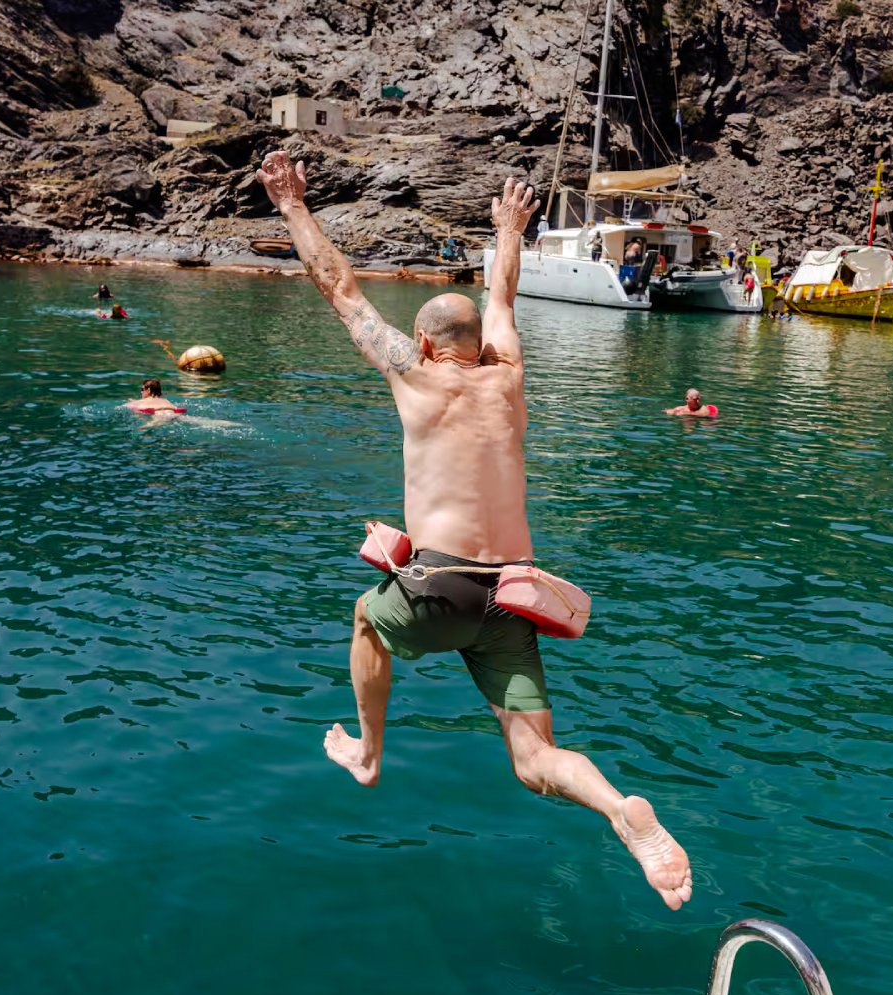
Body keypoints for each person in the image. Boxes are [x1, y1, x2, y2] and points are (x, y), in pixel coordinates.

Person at [256, 151, 693, 911]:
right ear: (479, 346)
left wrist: (293, 205)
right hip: (514, 594)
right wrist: (509, 230)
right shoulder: (510, 377)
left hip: (442, 584)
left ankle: (368, 754)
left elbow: (340, 288)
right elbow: (504, 299)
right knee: (534, 757)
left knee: (365, 616)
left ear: (425, 344)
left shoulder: (413, 372)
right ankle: (618, 809)